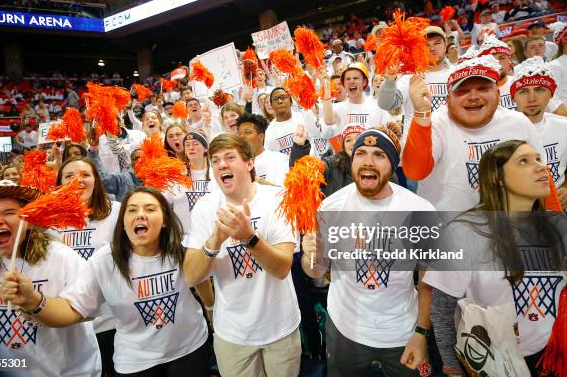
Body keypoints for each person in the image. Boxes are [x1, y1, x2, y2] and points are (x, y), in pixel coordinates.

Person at [0, 187, 211, 376]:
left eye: (150, 209)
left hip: (191, 348)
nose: (140, 215)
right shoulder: (104, 260)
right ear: (123, 222)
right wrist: (35, 301)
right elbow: (73, 309)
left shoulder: (181, 250)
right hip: (136, 362)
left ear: (164, 220)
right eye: (132, 210)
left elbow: (198, 277)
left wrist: (210, 307)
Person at [423, 140, 566, 376]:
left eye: (539, 159)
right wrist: (452, 367)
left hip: (551, 357)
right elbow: (441, 309)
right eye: (524, 161)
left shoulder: (558, 225)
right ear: (497, 177)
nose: (542, 167)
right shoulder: (463, 232)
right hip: (493, 360)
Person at [301, 127, 435, 376]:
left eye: (379, 155)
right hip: (345, 328)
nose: (368, 161)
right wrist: (312, 254)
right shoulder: (331, 206)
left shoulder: (420, 210)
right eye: (361, 153)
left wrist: (422, 332)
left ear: (393, 165)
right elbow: (316, 272)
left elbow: (429, 281)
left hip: (401, 329)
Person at [182, 133, 301, 377]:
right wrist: (214, 240)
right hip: (233, 334)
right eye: (215, 161)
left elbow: (282, 268)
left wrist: (249, 237)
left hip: (280, 327)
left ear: (249, 163)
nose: (222, 165)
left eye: (229, 157)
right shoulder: (205, 208)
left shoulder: (276, 199)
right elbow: (191, 277)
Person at [0, 180, 102, 376]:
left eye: (8, 213)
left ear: (28, 220)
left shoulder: (60, 257)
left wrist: (34, 301)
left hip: (69, 372)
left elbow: (89, 309)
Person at [402, 55, 545, 211]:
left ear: (498, 93)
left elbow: (542, 177)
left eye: (483, 89)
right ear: (448, 99)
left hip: (510, 228)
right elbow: (415, 172)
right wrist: (422, 113)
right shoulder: (437, 123)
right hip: (450, 229)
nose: (473, 97)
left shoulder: (519, 123)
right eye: (462, 91)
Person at [53, 157, 121, 376]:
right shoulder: (48, 221)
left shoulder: (117, 212)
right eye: (69, 176)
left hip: (110, 320)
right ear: (60, 183)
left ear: (96, 180)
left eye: (85, 175)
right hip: (69, 322)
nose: (77, 180)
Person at [378, 26, 452, 140]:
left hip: (450, 142)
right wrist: (389, 80)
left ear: (445, 44)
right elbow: (385, 103)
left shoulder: (457, 73)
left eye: (437, 43)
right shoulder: (410, 77)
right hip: (416, 145)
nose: (432, 48)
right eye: (426, 45)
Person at [511, 57, 567, 206]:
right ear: (513, 97)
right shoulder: (500, 131)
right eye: (523, 91)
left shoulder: (564, 126)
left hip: (557, 210)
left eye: (539, 89)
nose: (531, 98)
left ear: (550, 94)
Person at [323, 63, 391, 136]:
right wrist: (327, 89)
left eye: (355, 78)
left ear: (364, 82)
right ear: (344, 84)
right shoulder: (338, 107)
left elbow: (389, 132)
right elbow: (328, 121)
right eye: (348, 79)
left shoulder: (378, 107)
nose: (351, 81)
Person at [236, 112, 289, 186]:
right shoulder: (235, 163)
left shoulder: (279, 159)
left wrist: (257, 180)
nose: (242, 137)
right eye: (239, 134)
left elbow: (282, 191)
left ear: (261, 137)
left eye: (247, 132)